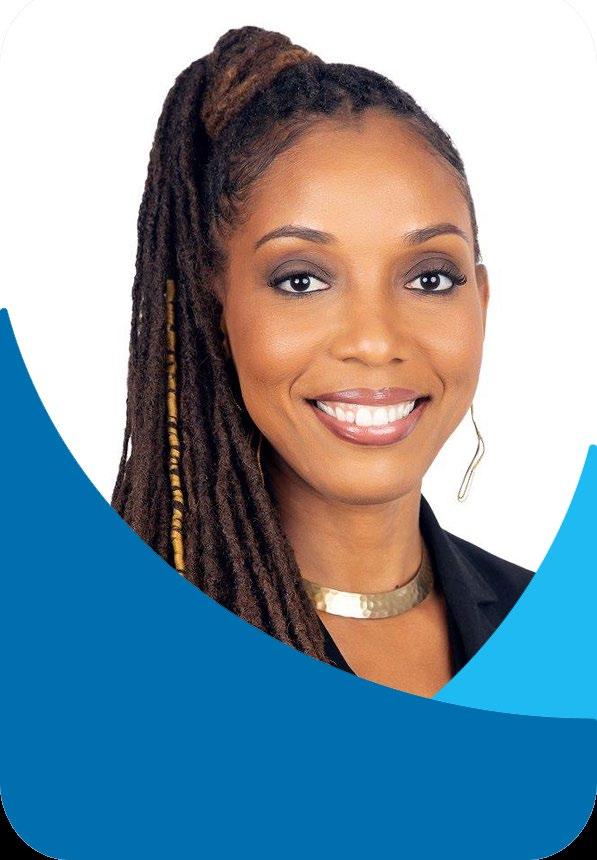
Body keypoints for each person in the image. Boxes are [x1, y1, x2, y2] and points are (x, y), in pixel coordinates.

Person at [111, 24, 534, 698]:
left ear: (479, 301)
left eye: (429, 278)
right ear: (215, 311)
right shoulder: (117, 647)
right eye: (301, 280)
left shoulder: (558, 627)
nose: (375, 340)